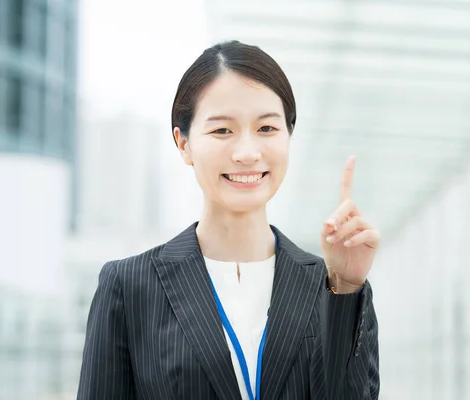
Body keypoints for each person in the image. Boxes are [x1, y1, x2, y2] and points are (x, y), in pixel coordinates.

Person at [77, 40, 380, 400]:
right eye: (222, 130)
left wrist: (345, 287)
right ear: (184, 143)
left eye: (267, 129)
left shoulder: (328, 284)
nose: (247, 152)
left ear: (288, 136)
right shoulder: (129, 286)